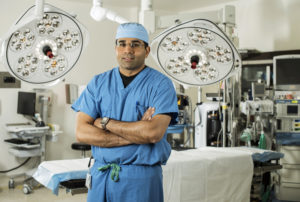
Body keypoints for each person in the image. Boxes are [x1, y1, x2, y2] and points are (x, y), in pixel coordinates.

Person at [72, 22, 178, 202]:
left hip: (140, 179)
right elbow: (81, 132)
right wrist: (138, 133)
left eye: (135, 44)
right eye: (122, 44)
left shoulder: (161, 85)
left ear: (146, 50)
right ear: (116, 48)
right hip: (101, 176)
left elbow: (153, 133)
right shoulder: (98, 83)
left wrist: (105, 123)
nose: (128, 50)